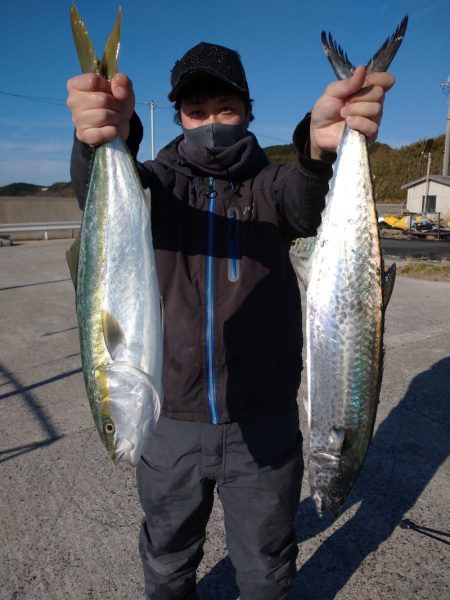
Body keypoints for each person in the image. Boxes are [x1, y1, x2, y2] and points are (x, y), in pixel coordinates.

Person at [67, 41, 394, 600]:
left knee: (267, 568)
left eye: (226, 109)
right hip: (169, 419)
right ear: (177, 117)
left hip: (262, 426)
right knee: (167, 561)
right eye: (196, 112)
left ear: (248, 112)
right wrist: (99, 140)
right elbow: (103, 200)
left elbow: (307, 199)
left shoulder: (272, 186)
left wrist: (319, 148)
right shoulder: (157, 186)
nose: (211, 123)